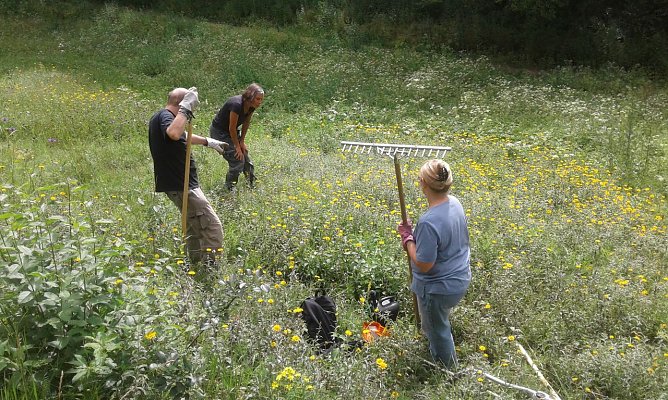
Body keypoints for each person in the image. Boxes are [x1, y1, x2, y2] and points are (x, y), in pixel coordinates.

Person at [397, 159, 471, 369]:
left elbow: (423, 264)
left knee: (437, 330)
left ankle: (447, 371)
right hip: (460, 277)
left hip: (438, 288)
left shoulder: (429, 222)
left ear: (423, 183)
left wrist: (407, 239)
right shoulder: (455, 203)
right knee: (438, 319)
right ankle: (433, 339)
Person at [148, 87, 229, 264]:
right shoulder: (165, 116)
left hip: (178, 184)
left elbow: (181, 135)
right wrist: (185, 109)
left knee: (194, 226)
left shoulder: (162, 118)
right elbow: (174, 133)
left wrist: (208, 142)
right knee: (212, 227)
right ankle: (210, 269)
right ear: (181, 103)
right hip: (182, 185)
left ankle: (194, 263)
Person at [209, 83, 264, 190]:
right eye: (258, 99)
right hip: (219, 132)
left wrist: (242, 142)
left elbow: (246, 123)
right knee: (237, 159)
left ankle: (251, 184)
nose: (260, 102)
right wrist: (237, 146)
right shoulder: (236, 104)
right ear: (250, 97)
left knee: (245, 155)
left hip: (231, 132)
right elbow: (231, 128)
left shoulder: (251, 106)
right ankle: (229, 190)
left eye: (261, 99)